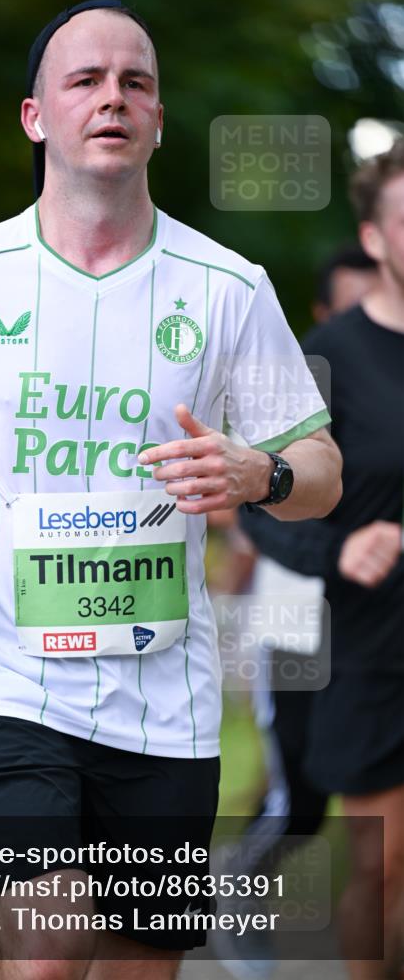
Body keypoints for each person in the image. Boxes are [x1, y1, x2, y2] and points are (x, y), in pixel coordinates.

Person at [0, 0, 341, 979]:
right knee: (50, 944)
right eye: (86, 80)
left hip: (165, 696)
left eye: (135, 82)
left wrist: (258, 472)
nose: (112, 98)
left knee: (138, 965)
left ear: (157, 119)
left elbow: (320, 473)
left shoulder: (228, 288)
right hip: (2, 673)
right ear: (35, 116)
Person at [235, 140, 404, 979]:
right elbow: (255, 503)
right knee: (387, 869)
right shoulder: (324, 357)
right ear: (372, 238)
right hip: (372, 653)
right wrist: (341, 549)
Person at [209, 243, 378, 980]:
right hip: (296, 626)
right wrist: (335, 557)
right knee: (301, 800)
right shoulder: (290, 385)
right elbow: (250, 513)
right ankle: (238, 887)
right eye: (351, 306)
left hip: (378, 630)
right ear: (321, 314)